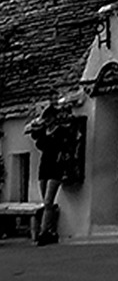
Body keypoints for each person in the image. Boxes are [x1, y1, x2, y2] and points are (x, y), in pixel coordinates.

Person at [25, 101, 69, 245]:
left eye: (50, 116)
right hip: (44, 168)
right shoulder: (43, 133)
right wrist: (38, 125)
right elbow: (37, 141)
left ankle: (43, 233)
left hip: (55, 168)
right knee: (46, 203)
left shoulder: (61, 131)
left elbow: (65, 146)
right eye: (46, 117)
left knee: (48, 201)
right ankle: (51, 231)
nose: (48, 119)